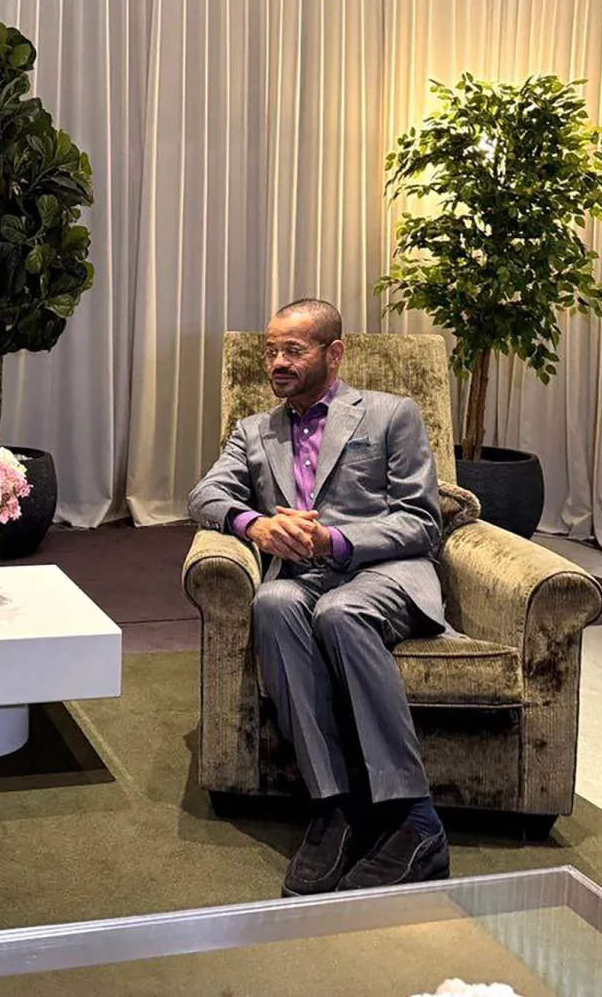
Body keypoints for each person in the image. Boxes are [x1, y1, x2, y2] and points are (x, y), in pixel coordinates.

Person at [187, 298, 451, 897]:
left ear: (334, 353)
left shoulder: (391, 414)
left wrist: (335, 541)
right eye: (270, 351)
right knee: (273, 602)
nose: (277, 363)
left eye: (293, 350)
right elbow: (204, 495)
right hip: (302, 578)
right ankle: (336, 807)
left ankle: (415, 820)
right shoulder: (254, 431)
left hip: (384, 571)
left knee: (340, 612)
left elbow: (421, 521)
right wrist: (255, 525)